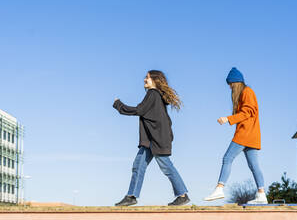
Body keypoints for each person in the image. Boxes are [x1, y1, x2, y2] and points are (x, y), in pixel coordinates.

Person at [113, 70, 190, 206]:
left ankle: (182, 195)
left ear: (155, 80)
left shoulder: (153, 93)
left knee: (166, 166)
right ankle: (131, 196)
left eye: (147, 78)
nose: (144, 80)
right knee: (138, 165)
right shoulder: (156, 96)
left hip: (158, 139)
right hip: (150, 139)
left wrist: (119, 105)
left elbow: (139, 110)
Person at [204, 67, 268, 204]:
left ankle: (219, 188)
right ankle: (261, 195)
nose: (230, 88)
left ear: (236, 83)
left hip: (245, 134)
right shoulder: (246, 93)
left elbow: (248, 112)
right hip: (251, 134)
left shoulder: (247, 92)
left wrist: (228, 118)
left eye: (230, 85)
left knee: (227, 158)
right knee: (254, 165)